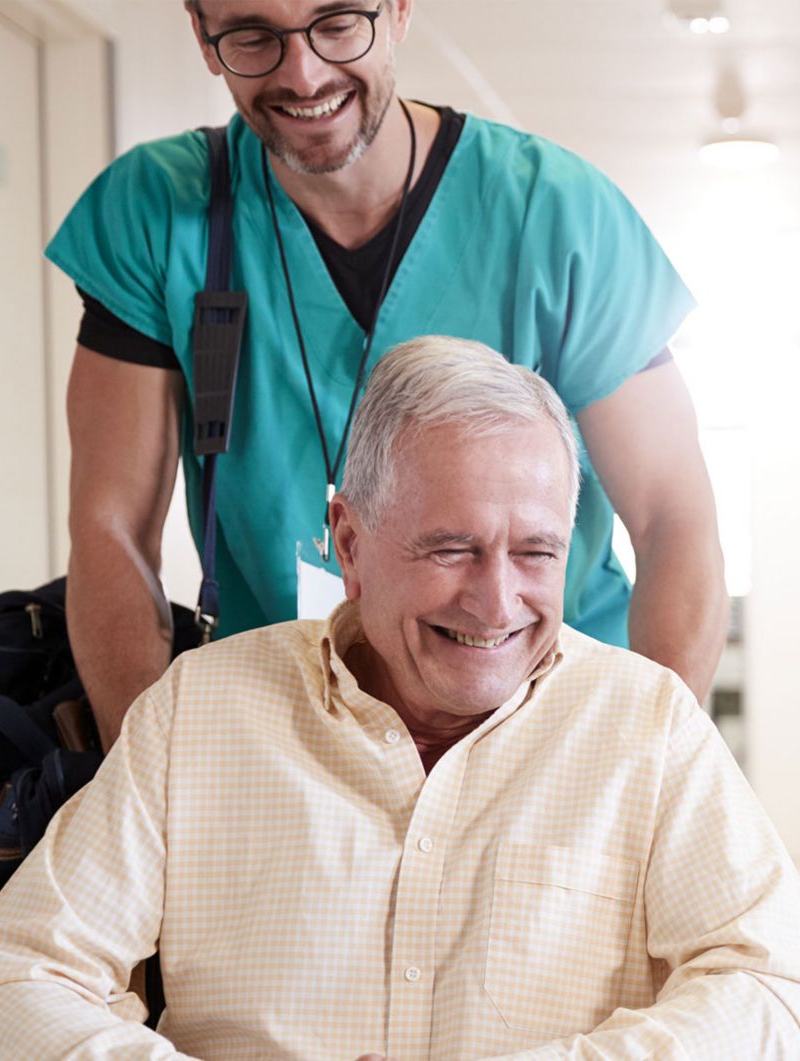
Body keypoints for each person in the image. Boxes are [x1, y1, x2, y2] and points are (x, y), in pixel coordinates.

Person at [0, 338, 800, 1060]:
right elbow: (3, 991)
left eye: (534, 552)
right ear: (349, 541)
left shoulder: (645, 725)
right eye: (449, 548)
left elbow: (791, 998)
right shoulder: (202, 713)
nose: (496, 603)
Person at [52, 0, 728, 747]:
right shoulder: (158, 212)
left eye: (338, 23)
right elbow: (110, 525)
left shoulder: (555, 215)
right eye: (252, 37)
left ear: (399, 9)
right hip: (282, 729)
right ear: (203, 38)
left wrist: (657, 772)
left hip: (547, 724)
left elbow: (673, 517)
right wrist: (149, 774)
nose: (303, 74)